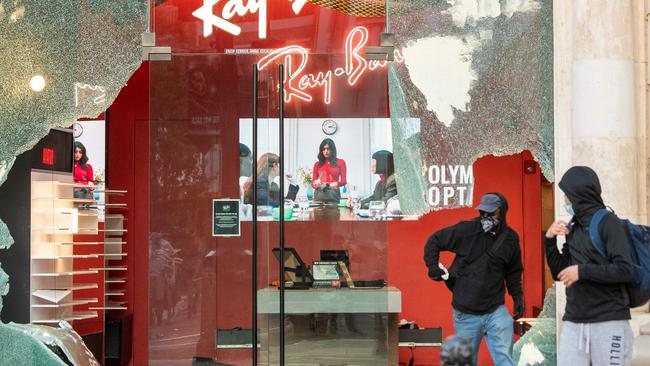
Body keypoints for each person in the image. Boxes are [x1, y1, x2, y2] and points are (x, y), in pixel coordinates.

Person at [545, 166, 635, 366]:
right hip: (574, 322)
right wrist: (549, 240)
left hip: (609, 322)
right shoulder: (574, 227)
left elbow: (624, 269)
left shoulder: (609, 222)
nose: (566, 201)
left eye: (568, 195)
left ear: (579, 194)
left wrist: (582, 271)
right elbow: (560, 274)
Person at [423, 192, 524, 366]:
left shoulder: (510, 238)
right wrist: (433, 267)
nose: (486, 216)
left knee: (505, 361)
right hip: (466, 311)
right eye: (482, 212)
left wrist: (517, 297)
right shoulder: (466, 230)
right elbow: (434, 241)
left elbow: (513, 272)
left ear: (502, 211)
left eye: (491, 213)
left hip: (495, 310)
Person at [312, 138, 347, 204]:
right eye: (324, 149)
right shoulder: (317, 164)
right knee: (318, 213)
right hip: (319, 195)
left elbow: (344, 181)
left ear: (332, 150)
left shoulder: (340, 162)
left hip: (333, 194)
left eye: (328, 149)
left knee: (334, 213)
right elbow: (313, 183)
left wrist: (337, 183)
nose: (326, 151)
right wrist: (315, 184)